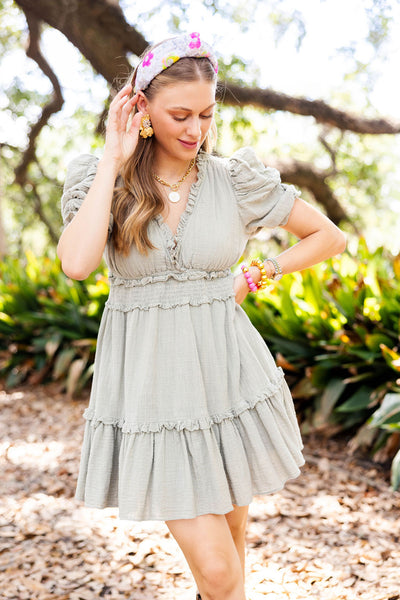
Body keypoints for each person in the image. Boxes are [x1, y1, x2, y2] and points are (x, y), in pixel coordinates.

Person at [57, 32, 346, 600]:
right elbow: (76, 263)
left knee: (233, 551)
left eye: (207, 115)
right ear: (140, 108)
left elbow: (328, 237)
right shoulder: (102, 179)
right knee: (218, 571)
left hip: (230, 379)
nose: (195, 130)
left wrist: (255, 275)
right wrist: (113, 159)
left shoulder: (232, 180)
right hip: (154, 397)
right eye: (180, 115)